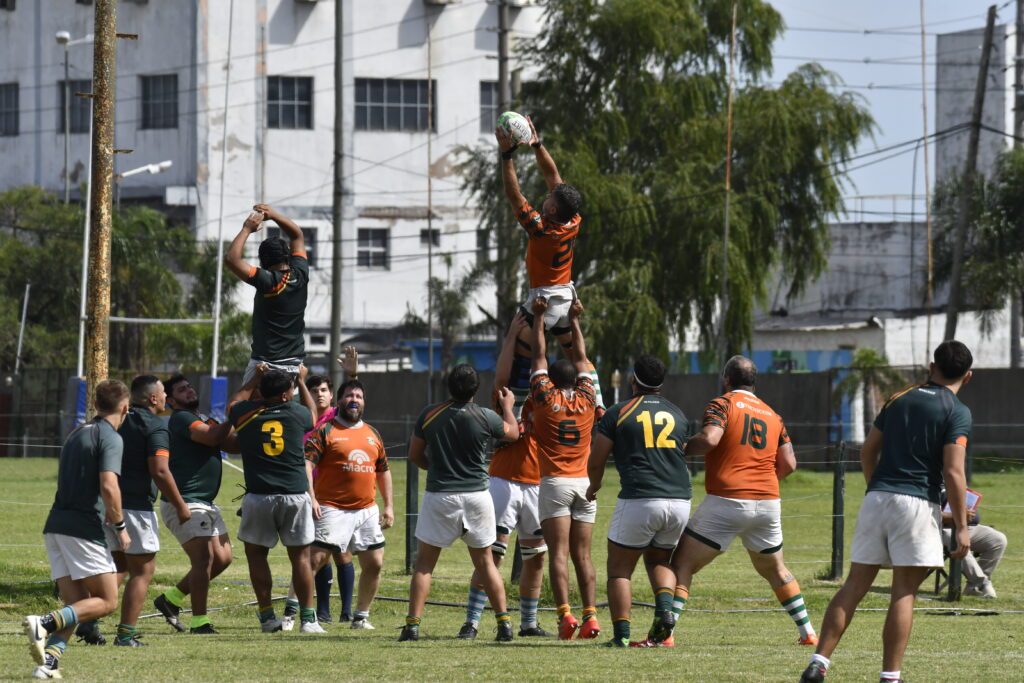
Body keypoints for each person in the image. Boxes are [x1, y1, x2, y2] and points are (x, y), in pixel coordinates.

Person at [801, 341, 974, 683]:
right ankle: (890, 676)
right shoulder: (957, 411)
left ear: (930, 366)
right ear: (968, 377)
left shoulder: (898, 398)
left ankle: (818, 662)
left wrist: (876, 488)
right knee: (903, 592)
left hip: (876, 498)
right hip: (916, 503)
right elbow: (954, 472)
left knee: (853, 585)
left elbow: (867, 452)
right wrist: (963, 527)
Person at [672, 356, 817, 648]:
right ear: (754, 382)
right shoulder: (773, 415)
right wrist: (761, 480)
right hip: (767, 503)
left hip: (727, 500)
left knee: (681, 564)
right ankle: (809, 632)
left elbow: (710, 439)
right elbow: (789, 464)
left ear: (727, 380)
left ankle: (667, 633)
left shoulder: (723, 403)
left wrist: (680, 448)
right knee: (776, 570)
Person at [400, 365, 520, 643]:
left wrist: (437, 470)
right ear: (476, 390)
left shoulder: (429, 415)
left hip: (440, 495)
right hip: (477, 496)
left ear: (448, 386)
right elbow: (513, 433)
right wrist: (508, 406)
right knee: (486, 563)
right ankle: (505, 626)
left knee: (424, 565)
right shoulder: (485, 416)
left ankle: (412, 627)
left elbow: (415, 455)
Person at [23, 380, 131, 679]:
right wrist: (120, 526)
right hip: (83, 528)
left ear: (96, 404)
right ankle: (43, 624)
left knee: (77, 605)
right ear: (125, 407)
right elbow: (110, 484)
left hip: (56, 525)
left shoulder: (76, 433)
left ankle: (49, 663)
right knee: (107, 601)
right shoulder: (110, 437)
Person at [458, 312, 553, 640]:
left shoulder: (547, 400)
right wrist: (512, 335)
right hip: (503, 483)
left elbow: (541, 356)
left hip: (536, 486)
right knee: (492, 556)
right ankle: (471, 621)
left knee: (536, 559)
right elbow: (500, 375)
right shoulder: (506, 400)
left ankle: (528, 623)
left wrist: (539, 325)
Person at [586, 354, 691, 648]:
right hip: (680, 500)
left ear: (633, 380)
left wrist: (593, 487)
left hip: (641, 498)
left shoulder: (619, 412)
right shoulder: (677, 413)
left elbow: (597, 459)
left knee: (619, 569)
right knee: (659, 559)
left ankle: (621, 636)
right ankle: (664, 613)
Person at [285, 377, 393, 632]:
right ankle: (300, 615)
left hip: (367, 509)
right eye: (349, 396)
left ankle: (360, 617)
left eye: (358, 397)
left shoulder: (372, 433)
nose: (354, 400)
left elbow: (384, 470)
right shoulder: (326, 430)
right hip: (332, 507)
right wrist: (311, 497)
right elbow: (306, 464)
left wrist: (389, 506)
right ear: (340, 400)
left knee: (375, 563)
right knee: (314, 561)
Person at [228, 365, 321, 633]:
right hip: (294, 495)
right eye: (290, 390)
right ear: (283, 396)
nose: (292, 393)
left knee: (256, 556)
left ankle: (268, 617)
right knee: (301, 559)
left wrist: (255, 378)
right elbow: (313, 415)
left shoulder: (245, 414)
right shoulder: (295, 413)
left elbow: (234, 401)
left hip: (259, 497)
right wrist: (302, 381)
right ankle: (308, 620)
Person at [528, 297, 601, 640]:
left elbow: (539, 356)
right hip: (585, 484)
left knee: (557, 553)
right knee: (583, 555)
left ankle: (565, 617)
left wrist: (540, 317)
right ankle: (592, 616)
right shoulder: (588, 398)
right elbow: (582, 358)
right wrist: (574, 321)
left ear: (551, 380)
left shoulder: (544, 396)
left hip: (555, 482)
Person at [496, 116, 583, 392]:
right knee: (578, 358)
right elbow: (553, 177)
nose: (546, 197)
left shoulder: (541, 229)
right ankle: (598, 401)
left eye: (549, 199)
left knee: (526, 357)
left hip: (543, 302)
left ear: (553, 209)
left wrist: (507, 154)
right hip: (566, 299)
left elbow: (514, 194)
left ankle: (519, 412)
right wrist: (537, 145)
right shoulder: (573, 220)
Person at [106, 375, 187, 647]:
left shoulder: (117, 421)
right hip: (137, 507)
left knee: (118, 565)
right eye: (163, 393)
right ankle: (126, 634)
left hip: (109, 503)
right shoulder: (155, 426)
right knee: (143, 570)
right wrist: (180, 505)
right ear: (153, 398)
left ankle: (88, 622)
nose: (165, 398)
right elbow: (160, 471)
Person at [152, 374, 235, 635]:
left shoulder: (205, 419)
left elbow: (231, 443)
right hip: (185, 501)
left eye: (189, 387)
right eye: (181, 390)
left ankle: (171, 599)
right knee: (204, 560)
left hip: (205, 502)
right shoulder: (180, 419)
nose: (188, 391)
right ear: (172, 400)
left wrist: (256, 425)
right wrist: (237, 412)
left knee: (223, 558)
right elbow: (212, 438)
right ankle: (200, 622)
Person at [225, 203, 310, 386]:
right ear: (288, 257)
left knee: (239, 408)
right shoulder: (301, 274)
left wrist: (247, 229)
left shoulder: (268, 281)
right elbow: (297, 235)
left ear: (262, 263)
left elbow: (232, 259)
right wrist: (275, 216)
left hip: (264, 367)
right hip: (294, 367)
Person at [308, 346, 360, 624]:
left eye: (325, 390)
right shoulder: (301, 419)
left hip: (336, 496)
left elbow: (352, 398)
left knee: (342, 553)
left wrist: (351, 373)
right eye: (314, 389)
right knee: (318, 553)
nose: (320, 394)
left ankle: (346, 611)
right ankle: (323, 610)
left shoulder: (336, 418)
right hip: (309, 494)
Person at [939, 489, 1006, 599]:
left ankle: (972, 588)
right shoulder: (927, 484)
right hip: (942, 529)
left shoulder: (954, 480)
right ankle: (982, 584)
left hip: (969, 526)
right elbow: (928, 514)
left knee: (998, 539)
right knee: (956, 540)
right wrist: (958, 516)